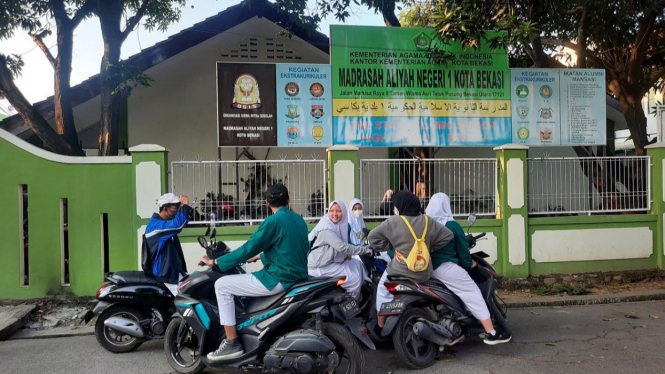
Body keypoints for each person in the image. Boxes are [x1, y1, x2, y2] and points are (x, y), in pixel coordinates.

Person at [199, 184, 309, 361]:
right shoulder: (299, 220)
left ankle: (231, 342)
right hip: (297, 277)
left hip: (278, 279)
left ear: (267, 203)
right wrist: (261, 257)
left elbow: (247, 249)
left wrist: (215, 261)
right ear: (288, 200)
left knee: (221, 286)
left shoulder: (272, 222)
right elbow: (290, 249)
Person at [425, 193, 512, 344]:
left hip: (430, 269)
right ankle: (492, 333)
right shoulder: (451, 225)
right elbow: (463, 251)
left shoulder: (426, 225)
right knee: (473, 293)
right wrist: (469, 263)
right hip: (447, 268)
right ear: (446, 206)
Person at [368, 191, 454, 331]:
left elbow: (372, 237)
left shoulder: (394, 221)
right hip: (424, 271)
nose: (395, 208)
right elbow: (448, 236)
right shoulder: (427, 220)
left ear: (401, 206)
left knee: (382, 290)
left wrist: (391, 246)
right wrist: (428, 248)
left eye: (395, 205)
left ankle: (380, 325)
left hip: (400, 271)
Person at [307, 200, 371, 300]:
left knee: (357, 264)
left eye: (338, 211)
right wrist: (365, 250)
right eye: (332, 211)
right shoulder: (327, 228)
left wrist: (346, 256)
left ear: (344, 213)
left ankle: (358, 293)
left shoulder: (339, 226)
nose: (334, 214)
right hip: (320, 267)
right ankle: (351, 302)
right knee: (353, 277)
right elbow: (342, 246)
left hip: (327, 262)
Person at [144, 193, 192, 295]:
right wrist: (185, 206)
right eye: (175, 208)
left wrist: (186, 210)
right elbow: (178, 225)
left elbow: (183, 222)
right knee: (185, 299)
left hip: (174, 270)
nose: (177, 211)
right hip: (166, 272)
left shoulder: (164, 223)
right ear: (165, 209)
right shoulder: (157, 226)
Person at [348, 198, 392, 263]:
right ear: (350, 210)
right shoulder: (348, 225)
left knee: (383, 255)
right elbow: (347, 242)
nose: (357, 211)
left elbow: (366, 236)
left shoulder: (361, 223)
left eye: (359, 208)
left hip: (364, 248)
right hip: (353, 252)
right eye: (355, 209)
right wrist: (357, 246)